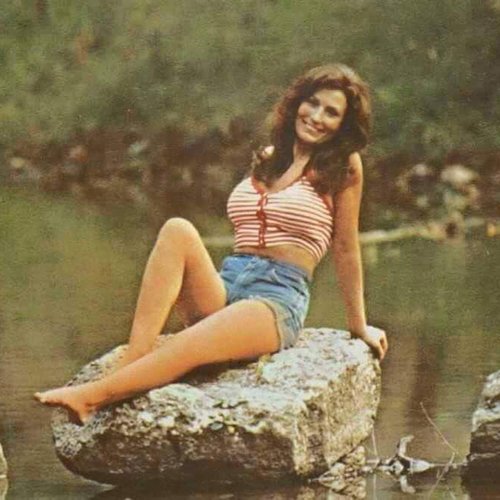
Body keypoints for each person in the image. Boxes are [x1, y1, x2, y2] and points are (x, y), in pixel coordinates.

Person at [35, 64, 388, 424]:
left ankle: (92, 398)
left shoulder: (343, 167)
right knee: (177, 229)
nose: (316, 117)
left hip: (275, 299)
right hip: (228, 281)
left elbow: (346, 247)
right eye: (312, 103)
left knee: (188, 346)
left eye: (331, 112)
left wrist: (359, 326)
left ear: (343, 125)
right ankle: (134, 358)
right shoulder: (271, 157)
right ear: (298, 102)